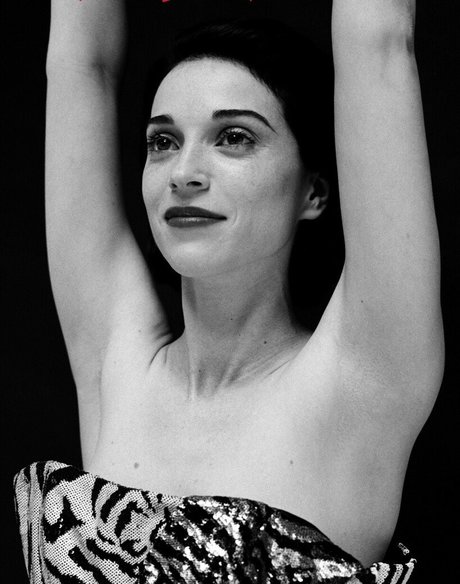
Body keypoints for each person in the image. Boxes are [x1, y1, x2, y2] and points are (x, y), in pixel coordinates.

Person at [13, 1, 444, 582]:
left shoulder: (362, 380)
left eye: (233, 137)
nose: (183, 172)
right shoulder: (115, 366)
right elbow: (78, 65)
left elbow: (378, 42)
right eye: (163, 141)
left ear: (314, 191)